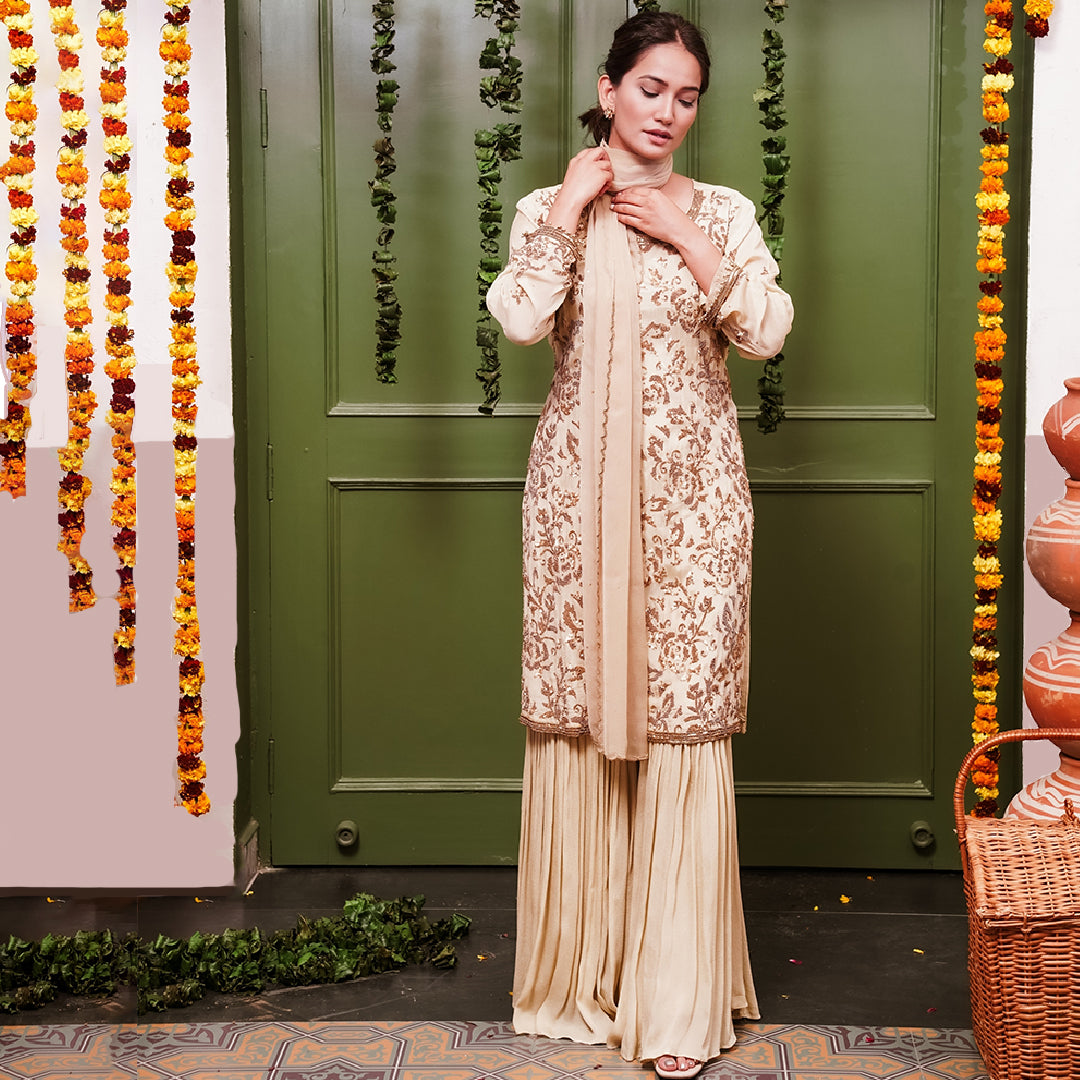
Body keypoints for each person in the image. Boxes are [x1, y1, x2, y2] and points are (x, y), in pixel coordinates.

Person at [485, 11, 793, 1080]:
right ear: (608, 89)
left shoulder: (725, 211)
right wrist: (571, 210)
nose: (667, 112)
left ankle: (675, 1003)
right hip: (579, 504)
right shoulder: (547, 207)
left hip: (697, 506)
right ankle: (585, 979)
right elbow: (522, 320)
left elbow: (765, 330)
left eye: (686, 96)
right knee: (584, 713)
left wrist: (688, 235)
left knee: (684, 722)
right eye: (650, 88)